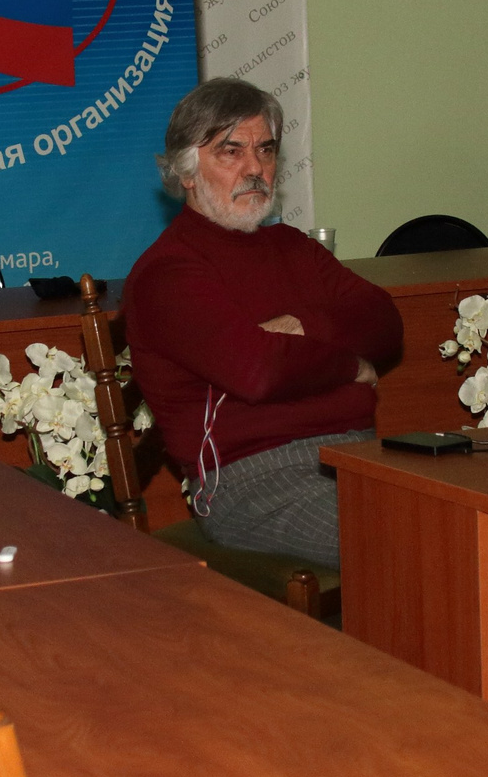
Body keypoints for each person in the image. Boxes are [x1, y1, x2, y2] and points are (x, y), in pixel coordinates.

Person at [124, 79, 403, 569]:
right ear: (187, 172)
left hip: (360, 460)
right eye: (231, 151)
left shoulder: (293, 246)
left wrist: (299, 326)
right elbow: (257, 371)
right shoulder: (167, 271)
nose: (255, 168)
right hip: (256, 483)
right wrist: (351, 367)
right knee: (415, 538)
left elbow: (384, 323)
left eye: (266, 150)